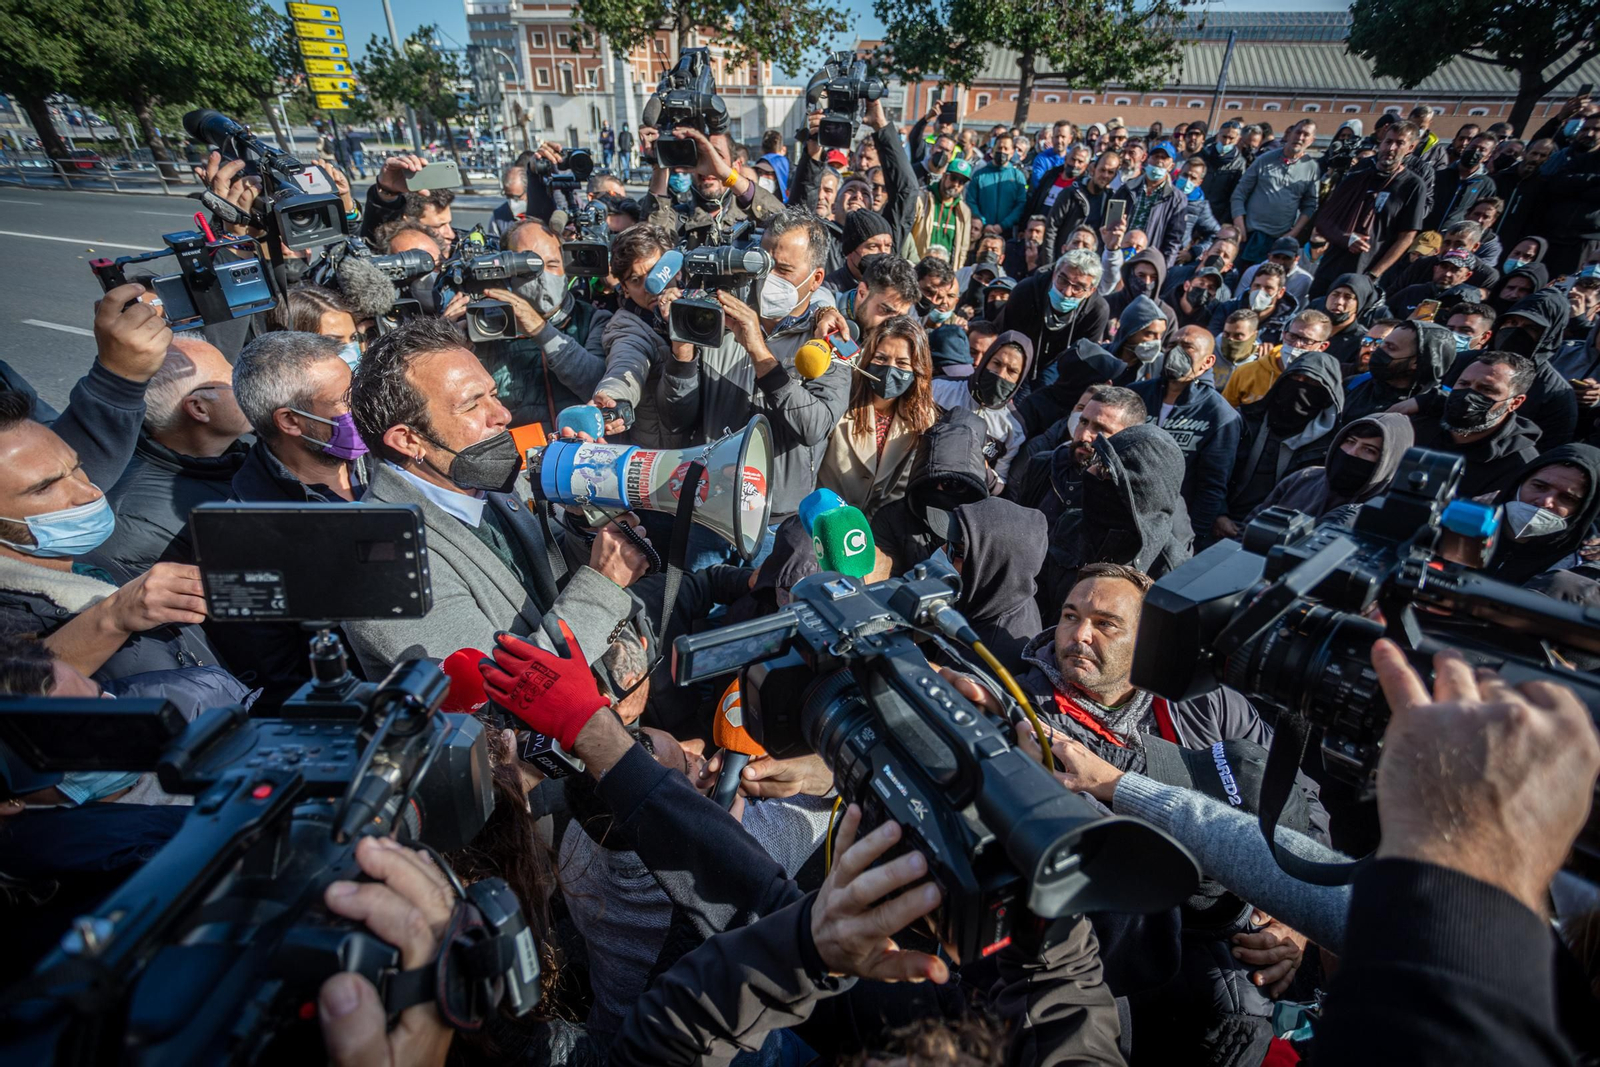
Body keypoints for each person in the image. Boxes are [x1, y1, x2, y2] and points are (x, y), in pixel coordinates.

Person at [344, 317, 647, 675]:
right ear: (408, 440)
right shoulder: (382, 565)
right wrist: (605, 586)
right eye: (472, 405)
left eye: (493, 394)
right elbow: (503, 687)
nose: (503, 414)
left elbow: (551, 579)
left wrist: (585, 523)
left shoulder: (478, 480)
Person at [0, 391, 219, 683]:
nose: (90, 492)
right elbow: (16, 697)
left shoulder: (93, 564)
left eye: (76, 468)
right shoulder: (10, 617)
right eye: (44, 488)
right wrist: (112, 618)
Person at [657, 209, 854, 531]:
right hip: (708, 505)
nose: (768, 278)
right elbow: (676, 419)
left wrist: (759, 352)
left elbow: (814, 427)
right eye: (763, 264)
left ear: (816, 279)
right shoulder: (717, 319)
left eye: (784, 270)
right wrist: (682, 352)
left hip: (776, 519)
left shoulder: (830, 338)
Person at [224, 332, 371, 697]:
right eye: (346, 401)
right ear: (290, 421)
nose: (364, 407)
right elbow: (280, 675)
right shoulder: (245, 533)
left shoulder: (385, 455)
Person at [93, 335, 250, 575]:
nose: (250, 384)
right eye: (234, 379)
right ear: (199, 408)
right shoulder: (135, 527)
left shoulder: (236, 455)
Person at [1036, 428, 1194, 615]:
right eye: (1096, 462)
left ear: (1141, 489)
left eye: (1105, 470)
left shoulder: (1172, 571)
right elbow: (1038, 599)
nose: (1090, 472)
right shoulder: (1070, 525)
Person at [476, 217, 609, 431]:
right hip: (521, 450)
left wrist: (540, 330)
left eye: (552, 264)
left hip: (586, 446)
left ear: (566, 268)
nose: (542, 275)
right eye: (527, 265)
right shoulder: (485, 328)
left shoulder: (594, 319)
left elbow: (599, 387)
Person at [1216, 350, 1345, 539]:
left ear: (1327, 394)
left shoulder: (1331, 446)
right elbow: (1213, 471)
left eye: (1311, 383)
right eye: (1295, 378)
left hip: (1278, 533)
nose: (1300, 386)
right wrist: (1218, 514)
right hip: (1221, 521)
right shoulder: (1245, 421)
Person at [1130, 326, 1241, 544]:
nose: (1175, 352)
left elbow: (1211, 486)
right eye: (1172, 345)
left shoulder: (1219, 415)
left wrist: (1192, 541)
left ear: (1208, 362)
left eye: (1187, 347)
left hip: (1172, 529)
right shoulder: (1136, 395)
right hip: (1125, 512)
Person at [817, 315, 936, 518]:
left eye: (902, 363)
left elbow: (899, 490)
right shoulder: (841, 398)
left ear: (917, 369)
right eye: (881, 358)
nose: (890, 370)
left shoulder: (921, 418)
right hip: (823, 517)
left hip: (872, 526)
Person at [1310, 121, 1428, 300]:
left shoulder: (1413, 185)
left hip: (1366, 273)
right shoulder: (1358, 173)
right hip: (1331, 266)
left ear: (1411, 147)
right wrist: (1345, 238)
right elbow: (1324, 219)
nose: (1391, 148)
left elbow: (1406, 237)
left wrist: (1373, 275)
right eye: (1388, 141)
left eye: (1399, 143)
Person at [1244, 411, 1415, 526]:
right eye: (1350, 441)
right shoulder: (1304, 478)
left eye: (1369, 450)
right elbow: (1250, 526)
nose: (1351, 452)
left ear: (1388, 461)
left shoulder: (1383, 516)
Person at [944, 496, 1049, 669]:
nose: (941, 551)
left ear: (992, 568)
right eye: (947, 543)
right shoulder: (1006, 594)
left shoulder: (986, 655)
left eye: (957, 552)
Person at [1482, 443, 1600, 585]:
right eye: (1539, 487)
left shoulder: (1581, 564)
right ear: (1519, 483)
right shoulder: (1470, 518)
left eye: (1567, 498)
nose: (1545, 502)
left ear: (1583, 511)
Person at [930, 330, 1031, 488]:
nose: (1000, 375)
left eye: (1012, 371)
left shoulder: (1014, 428)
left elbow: (1001, 482)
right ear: (986, 361)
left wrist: (983, 470)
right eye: (996, 364)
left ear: (1020, 378)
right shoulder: (938, 389)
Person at [1231, 119, 1319, 266]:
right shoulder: (1264, 159)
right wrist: (1239, 225)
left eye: (1306, 134)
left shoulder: (1312, 168)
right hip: (1250, 236)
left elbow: (1310, 205)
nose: (1300, 137)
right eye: (1298, 132)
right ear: (1289, 134)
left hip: (1279, 242)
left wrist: (1293, 234)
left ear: (1312, 140)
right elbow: (1239, 193)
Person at [1340, 319, 1455, 427]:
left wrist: (1427, 402)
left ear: (1417, 362)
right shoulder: (1354, 384)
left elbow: (1460, 404)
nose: (1375, 351)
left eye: (1390, 347)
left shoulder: (1439, 406)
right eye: (1382, 344)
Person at [1222, 308, 1334, 408]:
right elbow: (1225, 412)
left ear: (1322, 346)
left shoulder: (1322, 383)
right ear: (1284, 335)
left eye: (1306, 340)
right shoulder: (1246, 371)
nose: (1297, 344)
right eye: (1292, 336)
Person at [1535, 113, 1600, 276]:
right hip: (1553, 233)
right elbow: (1558, 184)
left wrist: (1577, 187)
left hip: (1586, 240)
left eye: (1596, 129)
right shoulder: (1580, 159)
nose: (1589, 133)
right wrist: (1594, 179)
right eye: (1585, 128)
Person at [1041, 150, 1129, 264]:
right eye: (1102, 170)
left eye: (1110, 172)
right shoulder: (1071, 193)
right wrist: (1049, 263)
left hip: (1092, 264)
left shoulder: (1111, 201)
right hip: (1064, 259)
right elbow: (1051, 229)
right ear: (1093, 169)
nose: (1105, 175)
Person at [1208, 261, 1300, 346]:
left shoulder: (1290, 323)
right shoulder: (1228, 308)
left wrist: (1272, 353)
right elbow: (1211, 339)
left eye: (1268, 288)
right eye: (1257, 286)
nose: (1260, 292)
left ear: (1280, 292)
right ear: (1250, 287)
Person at [1123, 141, 1187, 263]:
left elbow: (1173, 240)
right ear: (1148, 159)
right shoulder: (1129, 187)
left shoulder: (1177, 199)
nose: (1159, 161)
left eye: (1164, 158)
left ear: (1171, 166)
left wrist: (1164, 267)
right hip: (1121, 253)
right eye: (1156, 156)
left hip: (1148, 260)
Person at [1424, 132, 1500, 231]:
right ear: (1466, 147)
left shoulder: (1486, 185)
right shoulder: (1439, 175)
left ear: (1488, 156)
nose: (1475, 152)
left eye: (1482, 150)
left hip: (1455, 236)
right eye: (1473, 147)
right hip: (1425, 232)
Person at [910, 155, 975, 269]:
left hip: (945, 273)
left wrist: (956, 271)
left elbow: (963, 249)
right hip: (919, 268)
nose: (956, 184)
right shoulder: (922, 199)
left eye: (961, 182)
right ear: (944, 175)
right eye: (953, 178)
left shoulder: (964, 212)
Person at [1315, 272, 1385, 370]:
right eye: (1335, 294)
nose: (1338, 302)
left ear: (1360, 304)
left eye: (1348, 297)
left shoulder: (1361, 343)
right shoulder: (1308, 328)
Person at [964, 132, 1027, 235]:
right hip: (981, 231)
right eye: (999, 148)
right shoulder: (979, 175)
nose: (1002, 151)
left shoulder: (1018, 176)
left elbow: (1021, 204)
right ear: (993, 150)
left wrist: (1003, 225)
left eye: (1006, 149)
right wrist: (983, 223)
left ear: (1012, 152)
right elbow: (971, 201)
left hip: (1007, 233)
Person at [822, 209, 895, 293]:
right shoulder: (829, 289)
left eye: (887, 246)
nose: (883, 253)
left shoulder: (895, 285)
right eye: (873, 246)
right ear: (850, 251)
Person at [490, 164, 527, 238]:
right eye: (508, 196)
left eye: (516, 197)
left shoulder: (542, 214)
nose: (512, 202)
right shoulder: (498, 218)